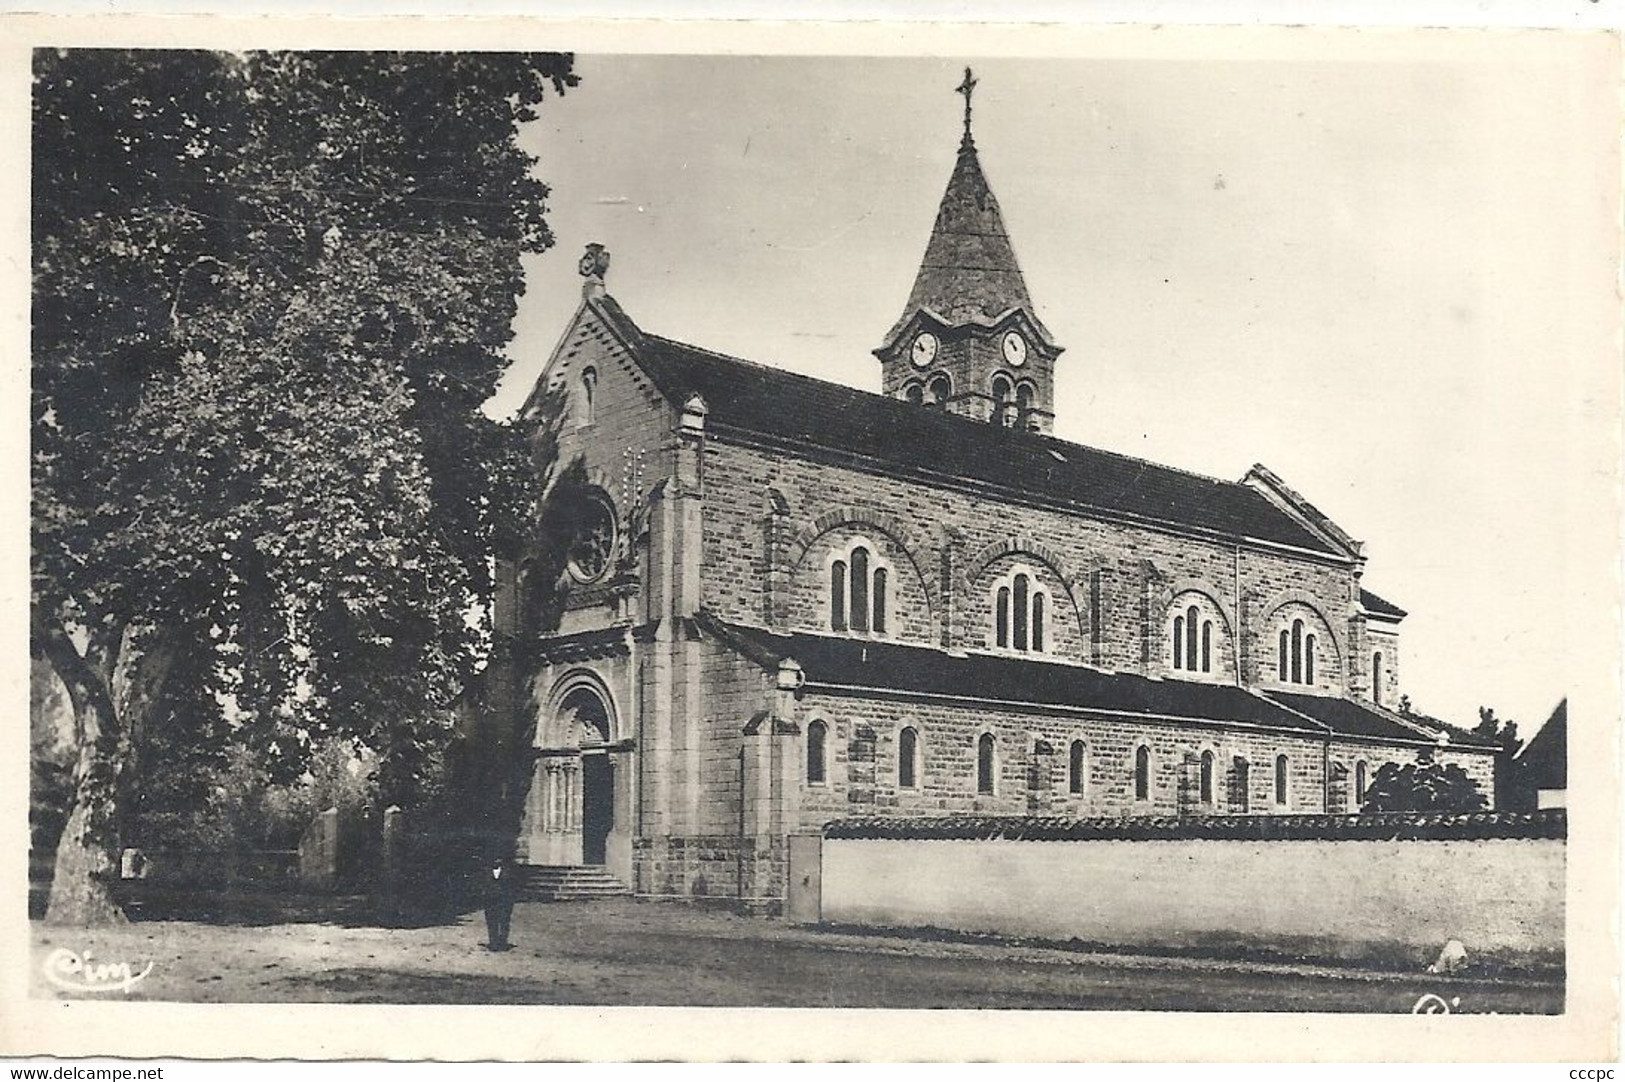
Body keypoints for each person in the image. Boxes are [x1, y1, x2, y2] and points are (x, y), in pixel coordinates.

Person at [482, 854, 516, 952]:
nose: (496, 861)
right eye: (494, 859)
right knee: (491, 922)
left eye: (498, 859)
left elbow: (512, 887)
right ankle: (493, 943)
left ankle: (503, 943)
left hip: (504, 901)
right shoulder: (486, 872)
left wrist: (510, 899)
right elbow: (482, 885)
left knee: (504, 922)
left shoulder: (508, 872)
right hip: (490, 901)